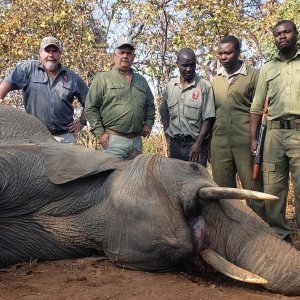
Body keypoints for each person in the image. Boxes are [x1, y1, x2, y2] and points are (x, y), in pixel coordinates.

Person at [250, 20, 300, 243]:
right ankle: (281, 239)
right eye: (278, 33)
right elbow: (256, 106)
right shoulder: (267, 68)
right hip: (273, 136)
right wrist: (253, 139)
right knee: (273, 188)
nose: (282, 36)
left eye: (287, 31)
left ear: (295, 34)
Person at [210, 35, 265, 218]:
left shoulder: (253, 75)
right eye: (220, 53)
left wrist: (255, 140)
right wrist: (211, 145)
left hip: (245, 140)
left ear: (238, 52)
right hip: (219, 142)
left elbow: (261, 109)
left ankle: (260, 232)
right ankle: (230, 235)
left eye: (228, 52)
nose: (223, 57)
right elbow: (210, 115)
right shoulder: (214, 80)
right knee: (223, 192)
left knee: (253, 189)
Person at [0, 36, 88, 144]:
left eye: (55, 51)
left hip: (65, 138)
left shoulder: (71, 77)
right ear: (40, 53)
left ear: (60, 54)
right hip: (35, 137)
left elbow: (89, 101)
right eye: (47, 51)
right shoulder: (29, 69)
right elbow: (9, 82)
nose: (51, 55)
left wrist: (82, 121)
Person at [85, 36, 155, 159]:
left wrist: (148, 124)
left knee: (134, 177)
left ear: (133, 56)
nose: (125, 56)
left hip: (136, 142)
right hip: (113, 141)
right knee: (111, 177)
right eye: (121, 52)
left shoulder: (141, 81)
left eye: (129, 53)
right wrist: (100, 133)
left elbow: (150, 105)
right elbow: (90, 108)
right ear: (114, 55)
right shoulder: (102, 78)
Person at [160, 48, 215, 167]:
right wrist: (167, 135)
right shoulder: (170, 86)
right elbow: (164, 112)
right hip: (175, 145)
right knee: (175, 182)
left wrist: (198, 144)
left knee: (196, 183)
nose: (189, 69)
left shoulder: (204, 86)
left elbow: (209, 118)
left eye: (192, 65)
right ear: (177, 64)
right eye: (185, 65)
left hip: (195, 146)